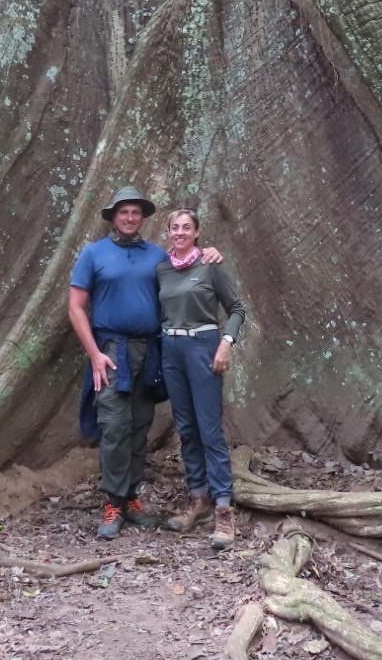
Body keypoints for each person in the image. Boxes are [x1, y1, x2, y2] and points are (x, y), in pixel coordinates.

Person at [67, 186, 221, 540]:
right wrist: (94, 354)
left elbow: (187, 267)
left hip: (150, 351)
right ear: (113, 216)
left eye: (136, 212)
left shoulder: (157, 256)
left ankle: (131, 498)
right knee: (114, 426)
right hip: (111, 351)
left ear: (143, 218)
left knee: (140, 425)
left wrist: (209, 253)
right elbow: (75, 306)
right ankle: (113, 502)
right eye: (124, 212)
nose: (130, 217)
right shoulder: (94, 253)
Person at [158, 208, 246, 550]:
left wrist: (226, 343)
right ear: (168, 232)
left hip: (203, 347)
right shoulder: (162, 269)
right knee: (186, 428)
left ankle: (223, 508)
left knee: (209, 429)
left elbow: (237, 309)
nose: (180, 232)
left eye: (186, 227)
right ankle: (198, 498)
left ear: (197, 232)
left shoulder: (209, 266)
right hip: (171, 349)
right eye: (174, 227)